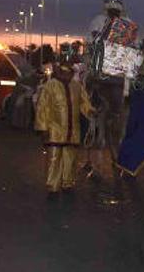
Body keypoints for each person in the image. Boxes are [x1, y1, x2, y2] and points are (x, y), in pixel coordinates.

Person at [35, 62, 93, 197]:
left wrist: (91, 112)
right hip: (55, 130)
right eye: (64, 72)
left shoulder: (77, 87)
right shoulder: (50, 86)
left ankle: (68, 184)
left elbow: (84, 103)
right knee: (54, 159)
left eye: (69, 73)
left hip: (73, 131)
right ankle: (53, 187)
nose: (66, 75)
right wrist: (43, 128)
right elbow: (42, 108)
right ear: (59, 72)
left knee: (70, 159)